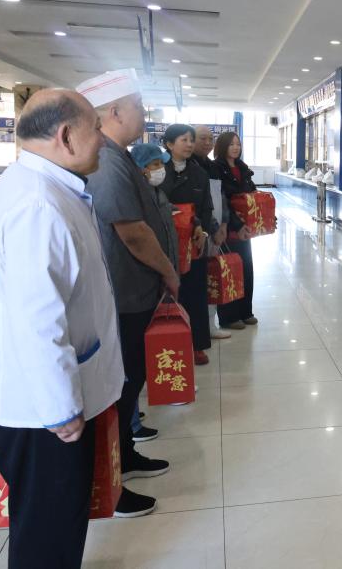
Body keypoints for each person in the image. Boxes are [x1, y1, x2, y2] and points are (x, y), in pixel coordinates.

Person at [0, 89, 125, 568]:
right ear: (66, 135)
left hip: (43, 406)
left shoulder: (44, 188)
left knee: (49, 525)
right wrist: (60, 408)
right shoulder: (37, 206)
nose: (102, 139)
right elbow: (35, 321)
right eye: (95, 129)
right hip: (42, 415)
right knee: (48, 535)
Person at [78, 69, 172, 517]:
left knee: (130, 382)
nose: (144, 113)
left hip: (135, 291)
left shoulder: (120, 156)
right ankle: (111, 483)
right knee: (120, 385)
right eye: (138, 105)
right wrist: (169, 271)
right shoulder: (109, 161)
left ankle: (126, 456)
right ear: (114, 111)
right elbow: (132, 232)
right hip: (124, 293)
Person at [126, 142, 181, 442]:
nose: (160, 169)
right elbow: (139, 239)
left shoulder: (156, 193)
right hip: (141, 282)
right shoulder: (138, 195)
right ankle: (131, 424)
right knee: (132, 358)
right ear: (141, 168)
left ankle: (133, 414)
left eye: (161, 164)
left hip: (157, 275)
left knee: (139, 355)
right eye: (154, 165)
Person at [160, 124, 215, 364]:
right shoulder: (158, 171)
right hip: (166, 240)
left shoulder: (199, 173)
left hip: (194, 240)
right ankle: (169, 345)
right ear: (169, 144)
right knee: (170, 293)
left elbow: (206, 207)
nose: (190, 144)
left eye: (191, 140)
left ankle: (197, 345)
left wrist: (203, 230)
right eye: (184, 140)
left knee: (196, 292)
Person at [213, 131, 258, 330]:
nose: (235, 147)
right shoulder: (216, 168)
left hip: (245, 231)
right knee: (229, 271)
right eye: (231, 144)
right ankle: (229, 317)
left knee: (246, 270)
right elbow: (221, 202)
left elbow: (253, 196)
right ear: (223, 146)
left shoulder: (243, 169)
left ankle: (245, 311)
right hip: (228, 229)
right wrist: (235, 224)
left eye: (238, 144)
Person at [193, 125, 231, 340]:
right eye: (202, 138)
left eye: (210, 139)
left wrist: (223, 224)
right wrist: (214, 228)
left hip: (216, 232)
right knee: (197, 282)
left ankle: (210, 325)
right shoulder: (189, 168)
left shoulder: (213, 167)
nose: (207, 143)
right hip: (198, 232)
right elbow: (200, 205)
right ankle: (198, 329)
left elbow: (221, 197)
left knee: (212, 278)